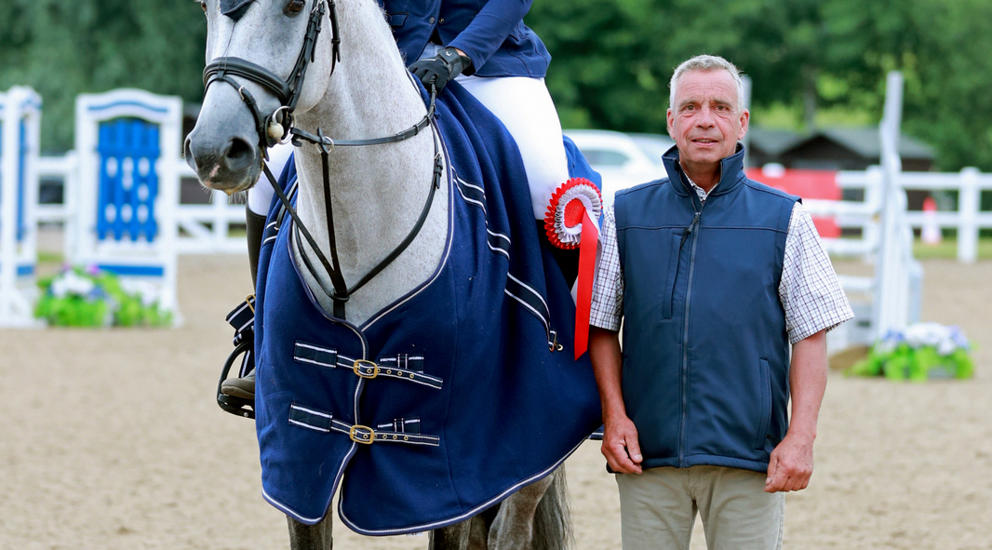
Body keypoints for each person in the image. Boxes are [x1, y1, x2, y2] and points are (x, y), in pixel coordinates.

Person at [225, 0, 572, 398]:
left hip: (490, 60)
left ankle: (544, 342)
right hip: (379, 56)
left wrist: (460, 54)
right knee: (271, 176)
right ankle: (264, 338)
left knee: (547, 182)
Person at [587, 54, 854, 550]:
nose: (704, 119)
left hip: (750, 460)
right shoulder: (624, 214)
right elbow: (601, 327)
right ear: (671, 121)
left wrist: (801, 438)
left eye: (719, 107)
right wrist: (615, 418)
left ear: (741, 122)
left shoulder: (785, 219)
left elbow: (811, 335)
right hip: (649, 457)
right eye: (689, 107)